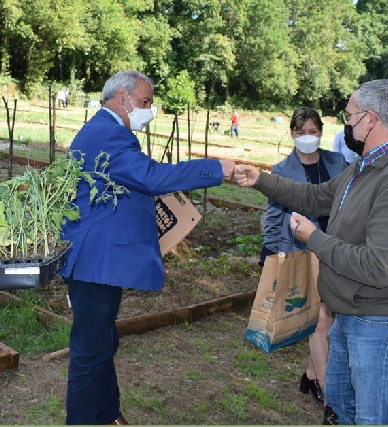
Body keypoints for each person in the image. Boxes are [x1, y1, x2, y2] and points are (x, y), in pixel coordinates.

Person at [59, 70, 235, 425]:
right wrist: (215, 169)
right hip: (96, 260)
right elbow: (151, 177)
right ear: (121, 97)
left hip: (100, 258)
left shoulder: (107, 130)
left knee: (102, 342)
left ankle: (107, 414)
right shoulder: (109, 135)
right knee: (90, 351)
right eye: (144, 102)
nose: (149, 110)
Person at [234, 79, 388, 426]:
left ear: (371, 120)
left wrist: (314, 238)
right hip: (346, 313)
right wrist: (259, 178)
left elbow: (379, 266)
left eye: (349, 117)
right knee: (341, 409)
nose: (346, 125)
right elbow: (314, 196)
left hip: (374, 322)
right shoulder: (361, 168)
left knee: (371, 417)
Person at [259, 107, 347, 421]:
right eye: (301, 132)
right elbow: (273, 215)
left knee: (330, 321)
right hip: (302, 253)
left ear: (321, 131)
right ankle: (331, 403)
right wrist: (270, 254)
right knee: (321, 323)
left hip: (335, 250)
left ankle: (310, 376)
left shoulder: (338, 162)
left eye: (312, 131)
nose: (307, 137)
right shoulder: (282, 169)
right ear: (293, 134)